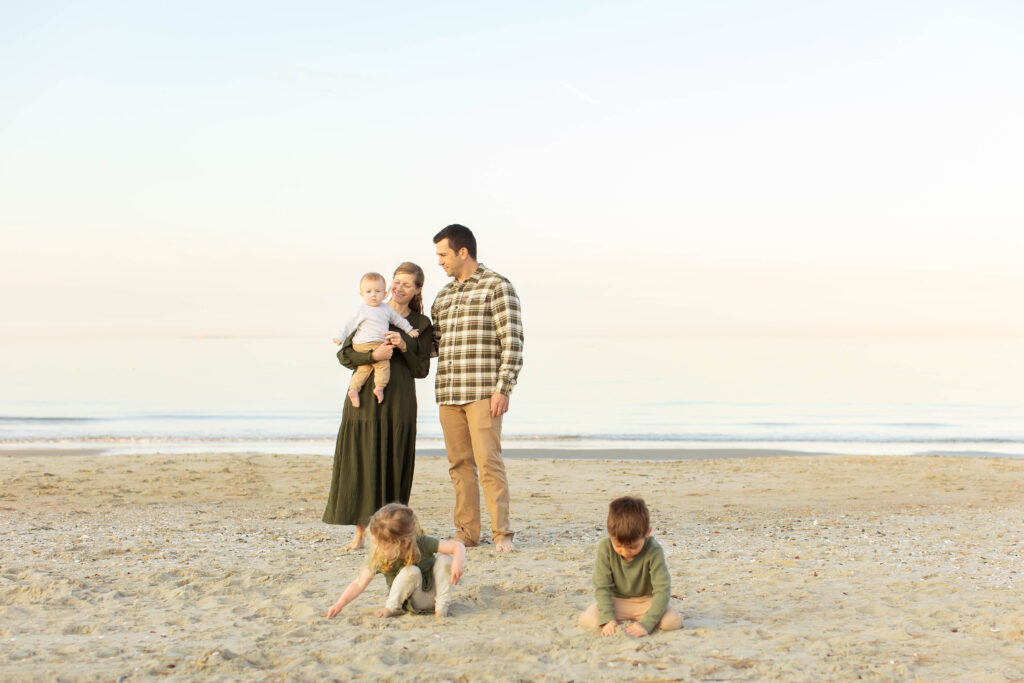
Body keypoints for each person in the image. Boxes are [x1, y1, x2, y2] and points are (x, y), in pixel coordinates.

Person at [322, 262, 432, 551]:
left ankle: (391, 534)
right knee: (362, 462)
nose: (399, 288)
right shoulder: (370, 312)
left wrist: (404, 346)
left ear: (417, 289)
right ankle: (360, 534)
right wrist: (373, 354)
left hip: (399, 404)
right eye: (396, 281)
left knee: (393, 465)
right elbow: (344, 355)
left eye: (407, 284)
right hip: (364, 404)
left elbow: (421, 370)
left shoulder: (420, 325)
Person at [431, 224, 523, 553]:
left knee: (488, 463)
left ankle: (502, 535)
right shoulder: (443, 295)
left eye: (443, 255)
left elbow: (512, 341)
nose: (439, 262)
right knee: (459, 466)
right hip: (448, 394)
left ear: (462, 252)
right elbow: (435, 345)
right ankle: (467, 533)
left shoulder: (497, 286)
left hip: (483, 392)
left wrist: (504, 389)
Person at [326, 503, 466, 619]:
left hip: (436, 594)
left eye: (383, 546)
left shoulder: (421, 542)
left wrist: (457, 564)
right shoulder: (380, 557)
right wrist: (339, 605)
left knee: (445, 558)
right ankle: (391, 608)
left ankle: (441, 610)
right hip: (411, 600)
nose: (378, 549)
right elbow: (359, 583)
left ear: (403, 543)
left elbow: (457, 546)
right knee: (411, 571)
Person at [579, 496, 684, 637]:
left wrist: (646, 624)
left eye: (633, 547)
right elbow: (602, 586)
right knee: (589, 620)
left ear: (647, 533)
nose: (625, 552)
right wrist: (608, 620)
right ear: (610, 533)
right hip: (617, 602)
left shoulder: (654, 550)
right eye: (618, 546)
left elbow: (662, 590)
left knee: (672, 623)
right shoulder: (605, 547)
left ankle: (649, 617)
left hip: (646, 601)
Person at [333, 271, 420, 408]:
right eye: (368, 292)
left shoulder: (386, 309)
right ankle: (379, 387)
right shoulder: (361, 309)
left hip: (371, 344)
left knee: (364, 369)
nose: (373, 294)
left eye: (377, 291)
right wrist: (340, 337)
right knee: (383, 364)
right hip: (365, 344)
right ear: (362, 294)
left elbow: (399, 321)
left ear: (385, 294)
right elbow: (348, 325)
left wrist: (409, 331)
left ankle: (354, 390)